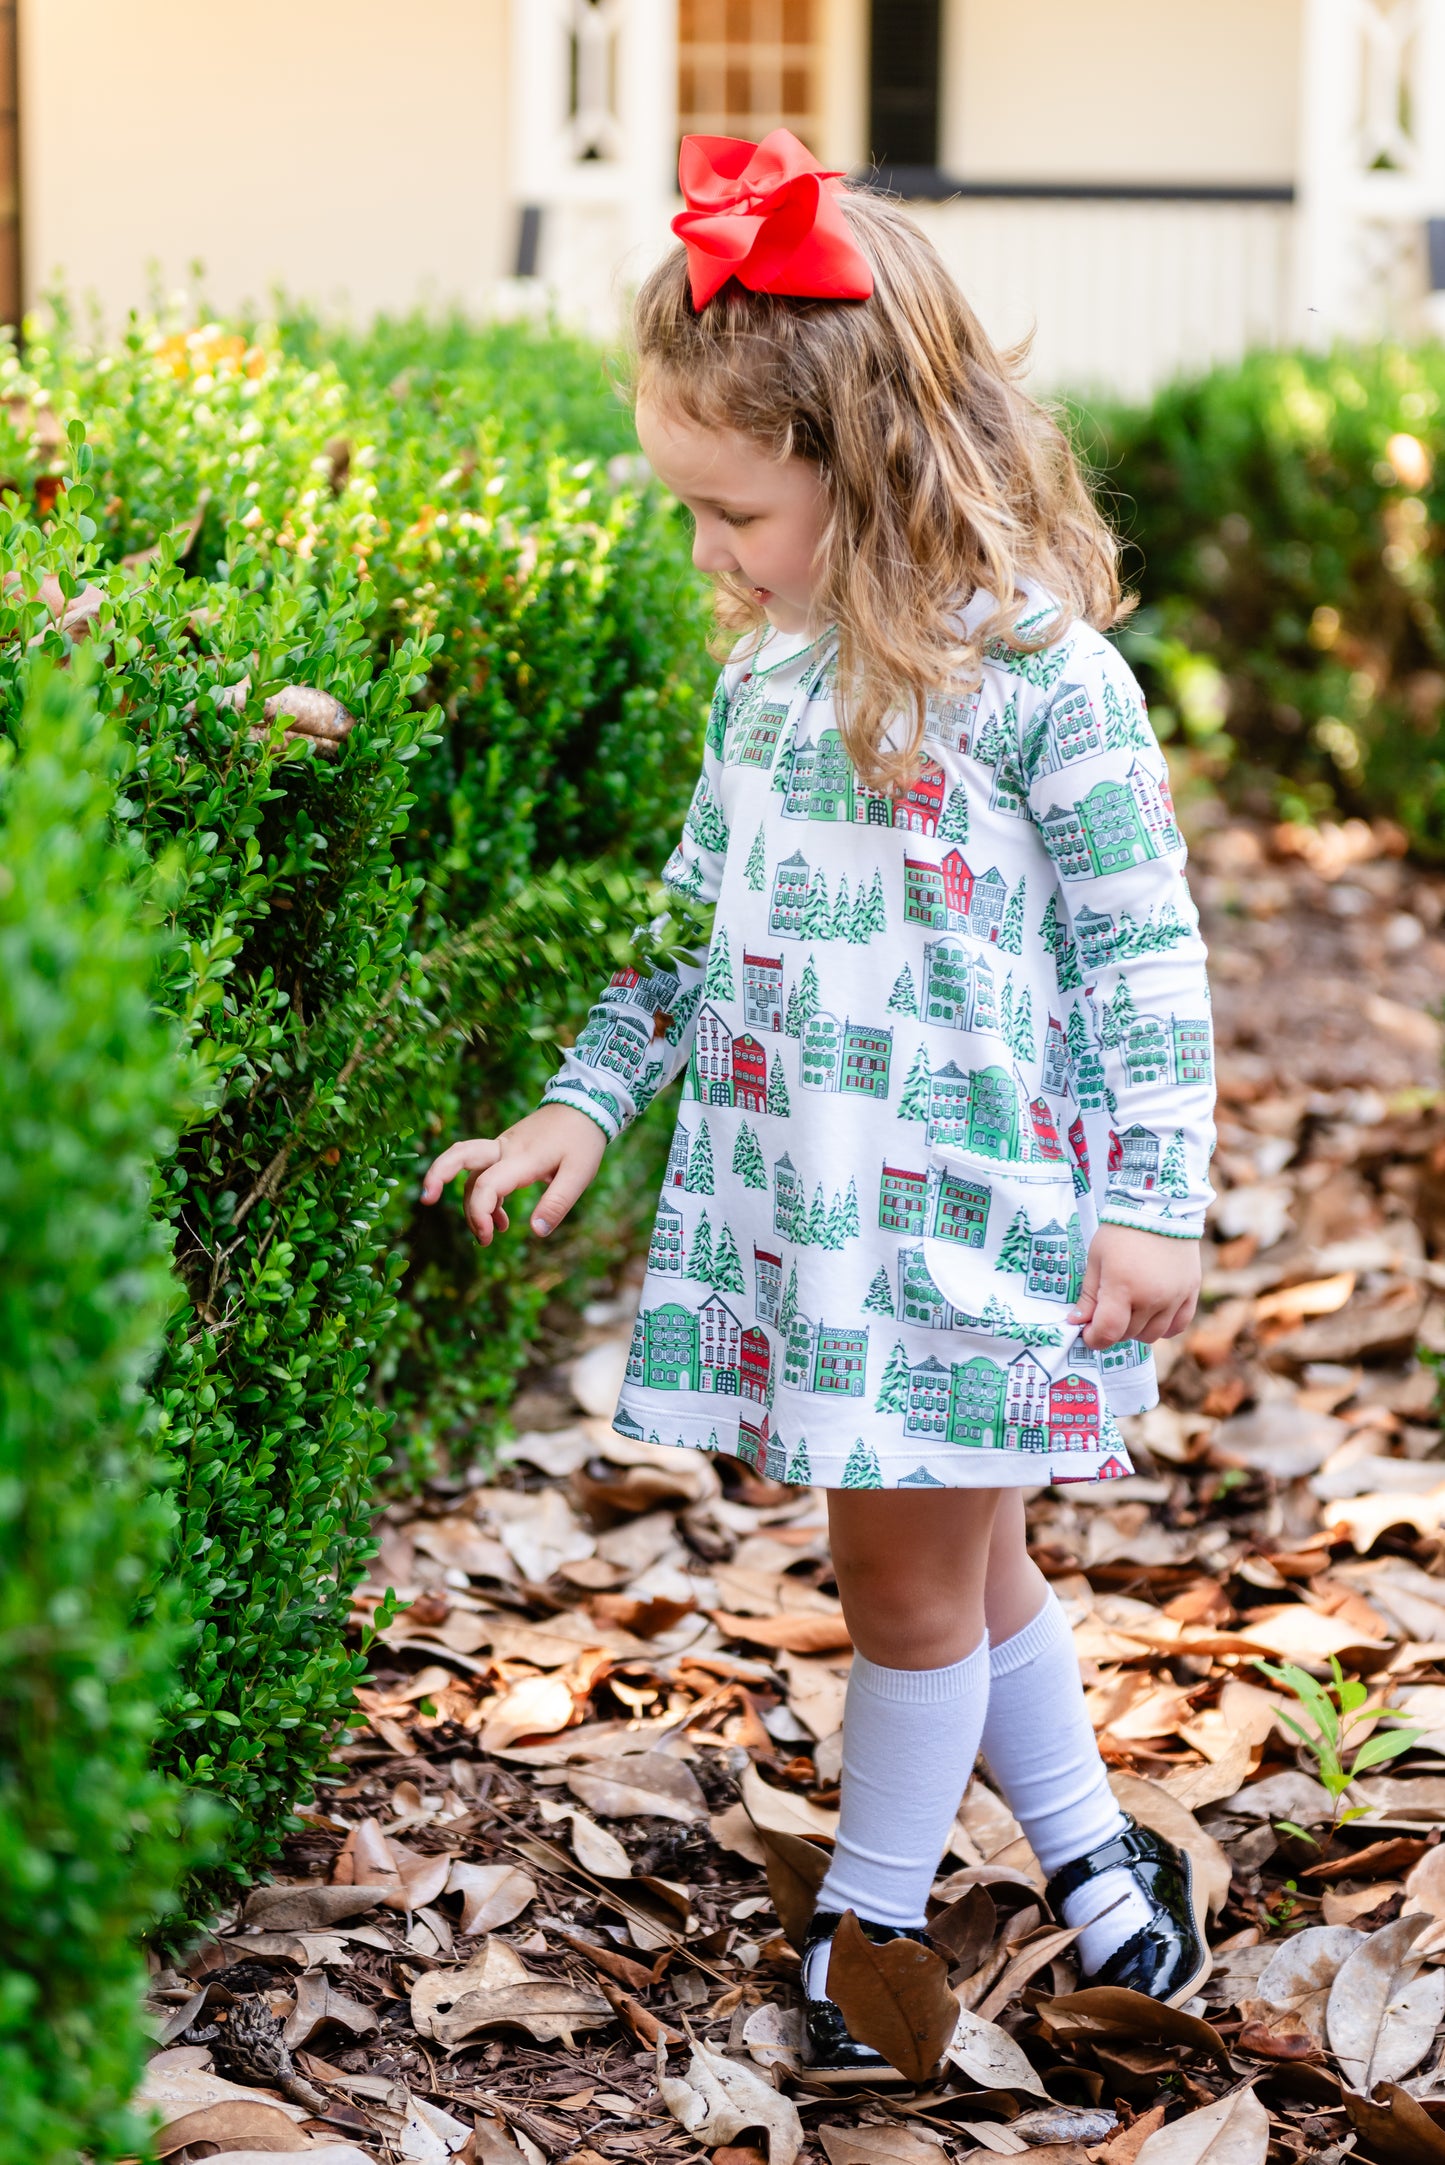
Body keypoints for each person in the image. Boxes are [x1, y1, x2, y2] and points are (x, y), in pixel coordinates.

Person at [423, 130, 1216, 2082]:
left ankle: (871, 1933)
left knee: (900, 1584)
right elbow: (685, 931)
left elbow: (1144, 954)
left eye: (732, 511)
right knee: (967, 1568)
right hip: (826, 1219)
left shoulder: (1046, 686)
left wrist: (1157, 1196)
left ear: (870, 470)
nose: (707, 554)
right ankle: (1108, 1880)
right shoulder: (770, 689)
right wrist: (584, 1112)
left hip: (975, 1226)